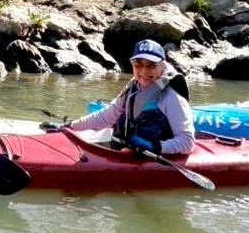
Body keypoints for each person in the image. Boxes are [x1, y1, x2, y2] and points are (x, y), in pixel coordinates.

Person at [44, 39, 194, 156]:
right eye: (138, 65)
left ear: (162, 65)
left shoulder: (172, 98)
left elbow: (187, 142)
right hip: (123, 151)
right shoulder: (133, 88)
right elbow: (105, 117)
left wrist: (154, 146)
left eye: (151, 66)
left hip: (151, 156)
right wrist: (69, 126)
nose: (144, 71)